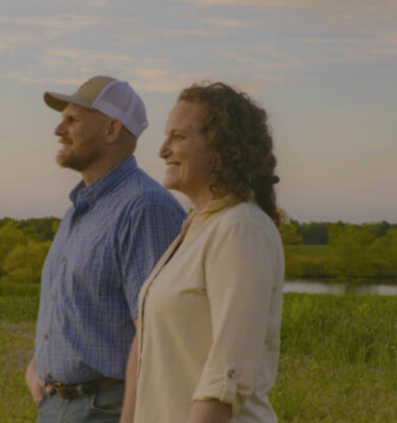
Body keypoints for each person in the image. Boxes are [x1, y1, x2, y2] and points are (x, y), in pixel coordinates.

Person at [27, 75, 187, 423]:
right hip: (57, 406)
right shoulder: (79, 209)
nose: (58, 129)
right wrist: (39, 365)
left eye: (73, 120)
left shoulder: (145, 208)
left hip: (107, 410)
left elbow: (155, 335)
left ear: (112, 129)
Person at [126, 82, 285, 423]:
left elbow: (224, 379)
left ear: (220, 148)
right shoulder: (196, 229)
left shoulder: (241, 229)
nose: (163, 150)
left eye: (178, 137)